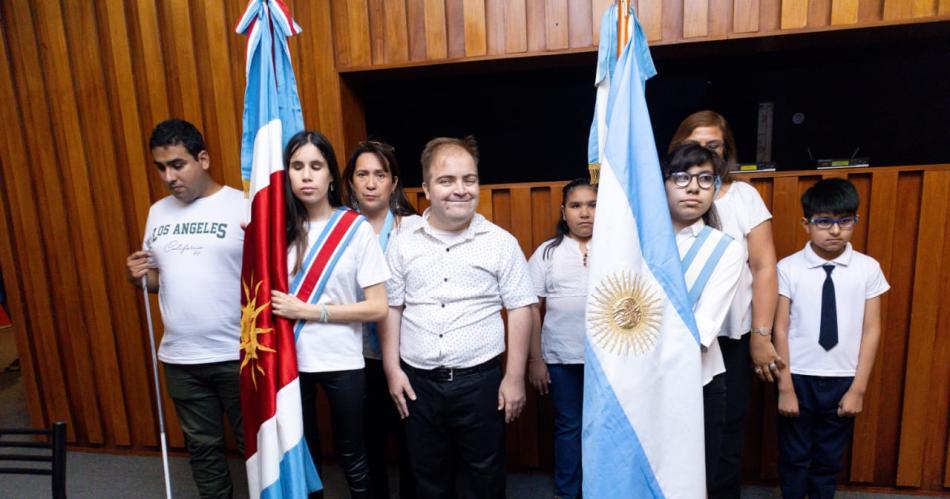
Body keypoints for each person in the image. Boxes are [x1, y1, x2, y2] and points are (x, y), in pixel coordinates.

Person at [381, 136, 536, 499]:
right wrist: (392, 370)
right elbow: (392, 308)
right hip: (418, 385)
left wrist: (514, 378)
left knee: (484, 478)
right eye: (446, 181)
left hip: (480, 383)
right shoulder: (403, 242)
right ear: (426, 189)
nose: (460, 190)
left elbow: (520, 309)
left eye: (469, 179)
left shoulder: (501, 242)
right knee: (427, 479)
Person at [125, 119, 245, 499]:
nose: (169, 176)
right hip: (180, 356)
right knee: (203, 449)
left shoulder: (242, 205)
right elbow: (160, 279)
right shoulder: (157, 212)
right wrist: (138, 276)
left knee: (256, 447)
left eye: (178, 164)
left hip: (237, 353)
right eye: (161, 167)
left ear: (203, 159)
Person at [269, 130, 389, 499]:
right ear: (285, 174)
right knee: (303, 455)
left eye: (316, 166)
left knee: (353, 454)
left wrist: (310, 311)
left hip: (342, 358)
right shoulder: (275, 231)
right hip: (290, 361)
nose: (306, 176)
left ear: (331, 175)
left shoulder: (355, 228)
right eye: (297, 166)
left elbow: (377, 307)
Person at [669, 110, 783, 498]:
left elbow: (765, 267)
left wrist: (762, 334)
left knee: (726, 425)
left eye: (713, 146)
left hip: (730, 332)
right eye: (695, 145)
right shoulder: (667, 198)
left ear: (726, 150)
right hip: (669, 339)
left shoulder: (744, 196)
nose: (704, 152)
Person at [774, 178, 888, 499]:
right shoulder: (788, 268)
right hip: (798, 377)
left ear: (855, 220)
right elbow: (779, 328)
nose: (835, 231)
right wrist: (785, 387)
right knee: (794, 458)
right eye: (824, 221)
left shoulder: (867, 268)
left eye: (844, 221)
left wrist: (859, 389)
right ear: (806, 223)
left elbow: (872, 329)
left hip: (843, 379)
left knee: (827, 461)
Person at [662, 143, 744, 491]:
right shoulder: (634, 243)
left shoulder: (725, 248)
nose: (693, 187)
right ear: (662, 183)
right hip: (638, 382)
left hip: (698, 381)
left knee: (694, 483)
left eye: (705, 178)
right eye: (682, 177)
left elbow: (702, 327)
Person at [341, 139, 419, 499]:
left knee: (413, 446)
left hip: (409, 356)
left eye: (379, 174)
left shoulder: (414, 228)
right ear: (350, 182)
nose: (371, 183)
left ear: (393, 181)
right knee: (366, 444)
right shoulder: (336, 232)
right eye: (362, 175)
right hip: (356, 357)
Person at [526, 178, 596, 499]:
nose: (585, 213)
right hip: (560, 358)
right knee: (569, 426)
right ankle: (568, 492)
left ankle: (602, 489)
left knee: (604, 427)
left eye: (592, 205)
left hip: (608, 359)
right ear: (563, 211)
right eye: (576, 205)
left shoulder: (617, 250)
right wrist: (536, 360)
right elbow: (529, 308)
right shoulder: (547, 252)